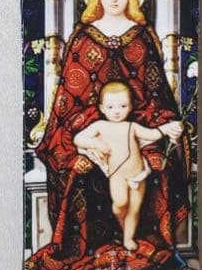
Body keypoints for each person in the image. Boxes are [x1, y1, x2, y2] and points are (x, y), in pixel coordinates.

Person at [27, 0, 191, 270]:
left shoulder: (142, 36)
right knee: (78, 169)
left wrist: (164, 125)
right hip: (91, 128)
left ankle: (140, 242)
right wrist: (88, 136)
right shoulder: (83, 36)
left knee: (160, 165)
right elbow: (70, 97)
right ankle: (88, 249)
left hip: (135, 127)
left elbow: (154, 92)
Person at [73, 80, 183, 252]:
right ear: (102, 108)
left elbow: (152, 134)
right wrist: (96, 143)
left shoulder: (132, 126)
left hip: (139, 174)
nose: (117, 111)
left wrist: (168, 128)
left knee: (134, 209)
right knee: (120, 203)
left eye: (123, 106)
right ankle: (122, 224)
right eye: (110, 107)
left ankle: (128, 238)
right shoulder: (100, 126)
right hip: (117, 175)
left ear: (131, 106)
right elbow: (78, 139)